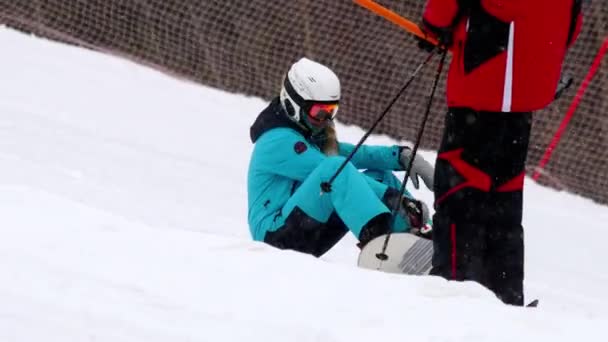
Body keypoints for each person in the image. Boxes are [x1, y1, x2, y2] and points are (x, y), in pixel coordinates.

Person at [420, 0, 583, 305]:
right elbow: (572, 29)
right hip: (525, 94)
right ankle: (505, 295)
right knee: (502, 199)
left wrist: (434, 26)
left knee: (461, 191)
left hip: (484, 82)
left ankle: (455, 288)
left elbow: (441, 12)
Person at [247, 57, 434, 257]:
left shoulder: (306, 131)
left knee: (380, 176)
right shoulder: (277, 140)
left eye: (331, 111)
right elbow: (336, 171)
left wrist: (401, 157)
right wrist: (393, 199)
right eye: (319, 112)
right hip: (275, 235)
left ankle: (423, 238)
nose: (325, 120)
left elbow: (353, 155)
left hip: (305, 220)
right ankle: (380, 244)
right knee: (335, 170)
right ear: (293, 103)